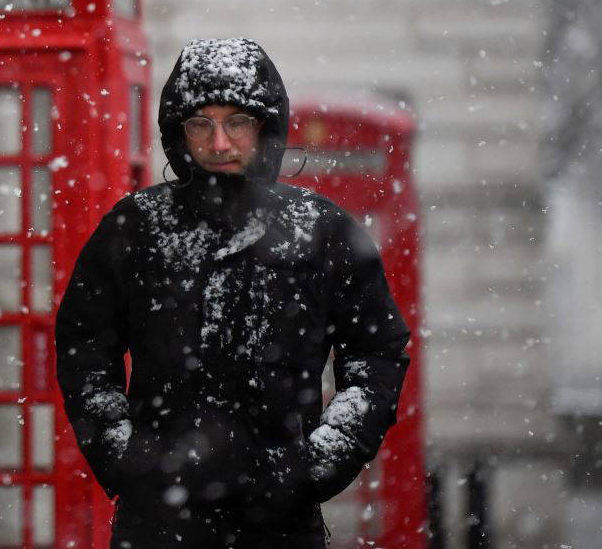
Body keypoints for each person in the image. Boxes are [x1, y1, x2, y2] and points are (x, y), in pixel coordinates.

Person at [55, 38, 411, 548]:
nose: (219, 143)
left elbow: (377, 353)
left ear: (264, 127)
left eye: (236, 123)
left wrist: (319, 462)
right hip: (157, 522)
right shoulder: (136, 227)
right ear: (179, 132)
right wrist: (123, 453)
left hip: (281, 524)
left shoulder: (321, 229)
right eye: (201, 124)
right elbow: (83, 345)